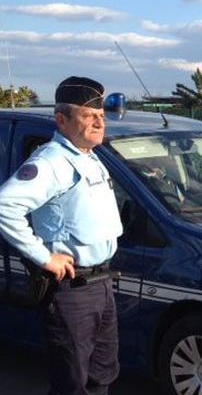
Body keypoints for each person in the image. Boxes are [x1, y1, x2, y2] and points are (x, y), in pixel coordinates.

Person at [0, 76, 123, 395]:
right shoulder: (51, 162)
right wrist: (43, 257)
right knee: (72, 383)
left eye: (101, 116)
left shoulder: (89, 157)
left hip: (101, 283)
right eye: (88, 116)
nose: (99, 122)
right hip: (73, 290)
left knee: (102, 375)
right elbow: (5, 206)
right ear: (61, 120)